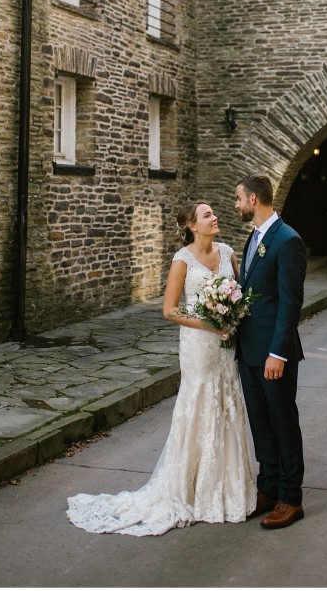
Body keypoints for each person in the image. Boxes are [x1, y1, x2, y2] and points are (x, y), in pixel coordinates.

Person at [66, 200, 256, 535]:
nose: (215, 218)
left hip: (225, 345)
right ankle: (187, 487)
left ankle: (226, 489)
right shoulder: (182, 260)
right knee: (198, 404)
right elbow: (169, 311)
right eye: (207, 215)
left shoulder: (227, 252)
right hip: (199, 345)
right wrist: (208, 323)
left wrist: (232, 313)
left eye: (214, 213)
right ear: (192, 226)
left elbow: (240, 294)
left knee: (226, 402)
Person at [234, 172, 307, 530]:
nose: (235, 205)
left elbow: (290, 304)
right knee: (260, 423)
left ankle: (291, 498)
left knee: (282, 423)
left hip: (273, 355)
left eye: (238, 198)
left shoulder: (287, 240)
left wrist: (277, 353)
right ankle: (268, 488)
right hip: (248, 350)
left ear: (253, 200)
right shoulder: (254, 237)